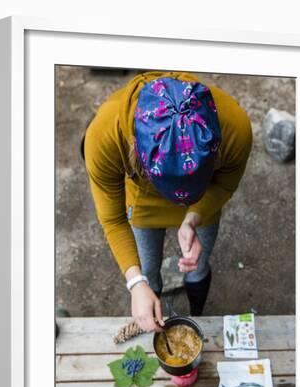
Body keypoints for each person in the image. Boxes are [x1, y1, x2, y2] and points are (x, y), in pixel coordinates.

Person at [83, 70, 252, 333]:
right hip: (143, 205)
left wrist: (193, 216)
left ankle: (197, 315)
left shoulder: (235, 128)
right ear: (136, 150)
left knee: (198, 265)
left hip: (204, 201)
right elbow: (113, 219)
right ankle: (154, 308)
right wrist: (136, 283)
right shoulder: (105, 135)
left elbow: (224, 184)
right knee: (147, 270)